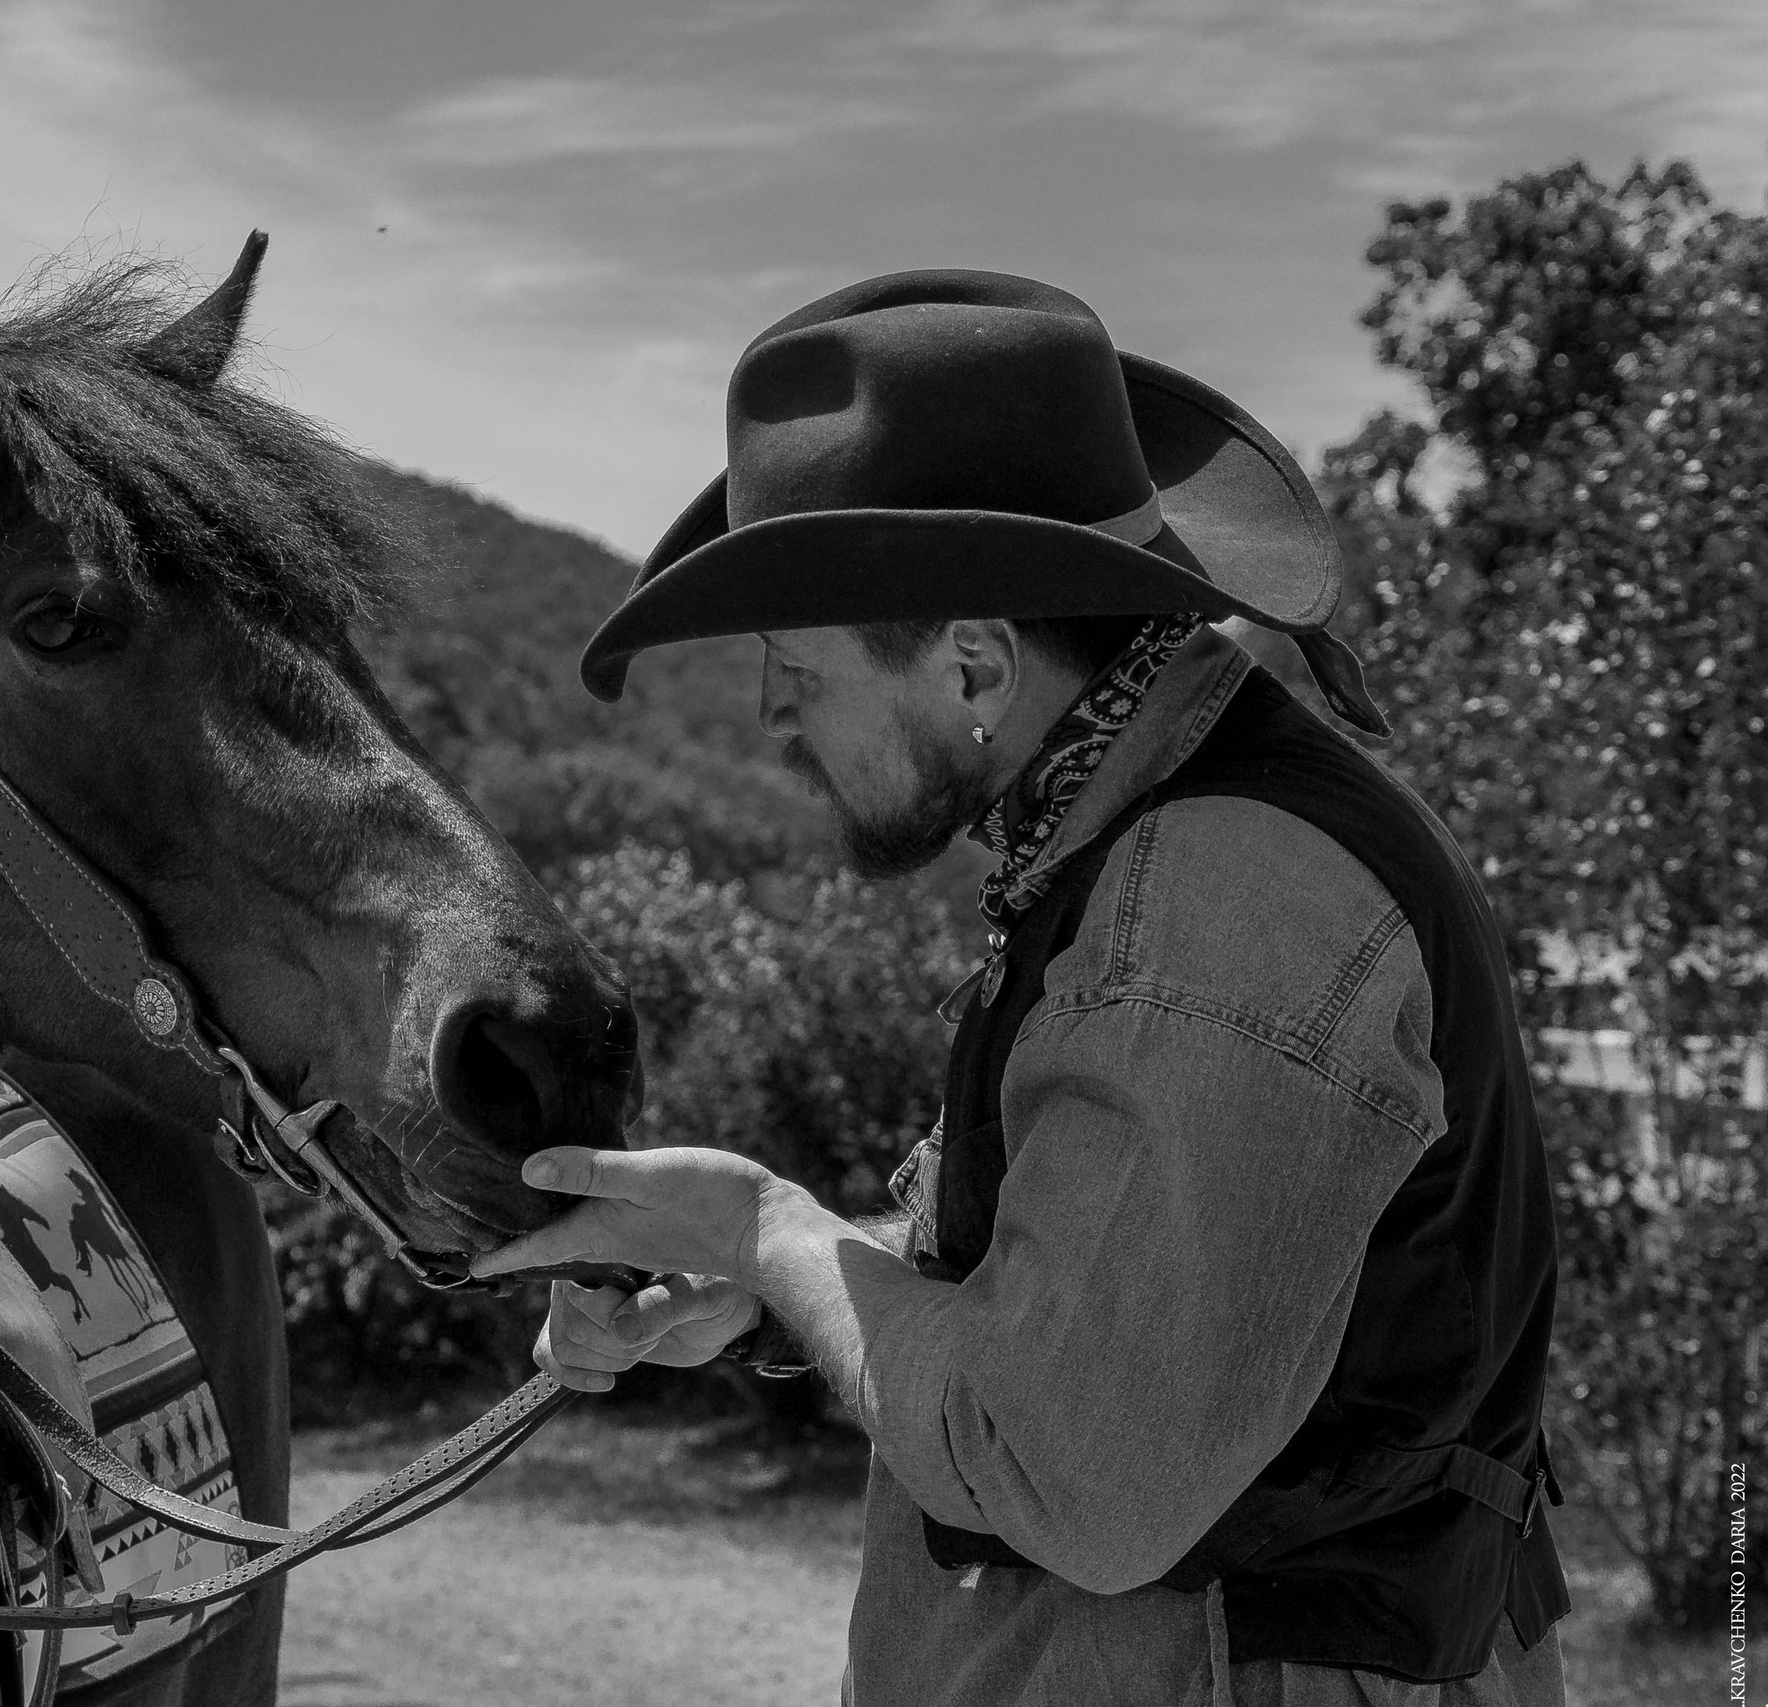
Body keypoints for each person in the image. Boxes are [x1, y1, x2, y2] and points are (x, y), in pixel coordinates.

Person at [475, 271, 1572, 1705]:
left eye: (794, 665)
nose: (770, 712)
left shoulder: (1212, 903)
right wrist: (771, 1296)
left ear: (976, 664)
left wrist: (771, 1232)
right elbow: (1070, 1281)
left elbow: (1069, 1467)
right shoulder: (1152, 836)